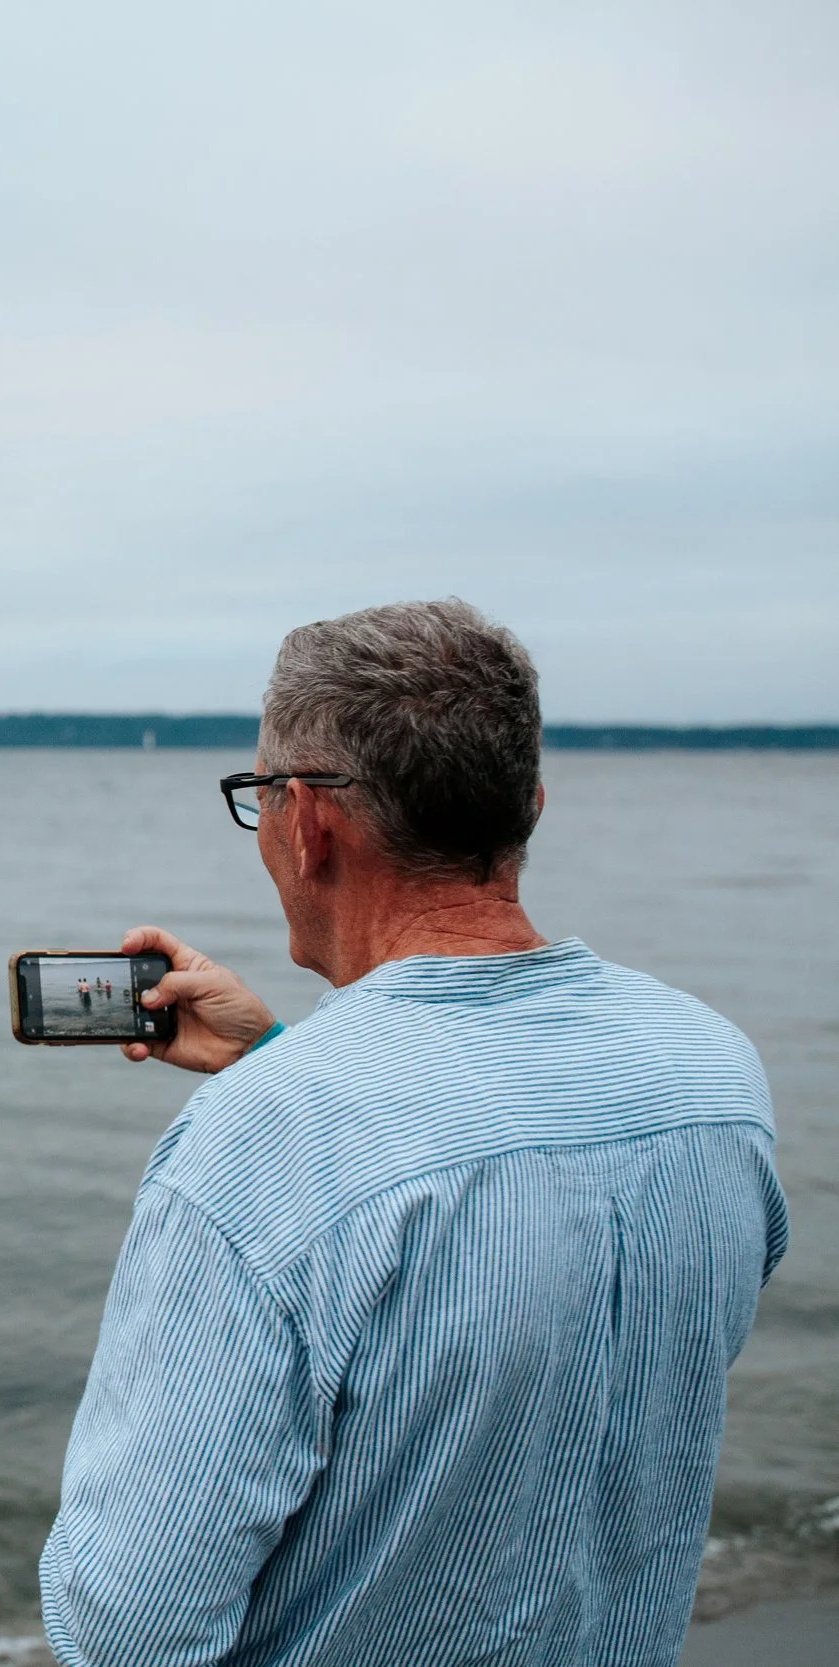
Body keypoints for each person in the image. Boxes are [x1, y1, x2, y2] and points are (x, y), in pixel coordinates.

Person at [40, 600, 786, 1667]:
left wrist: (281, 1083)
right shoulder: (711, 1070)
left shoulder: (265, 1142)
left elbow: (130, 1627)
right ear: (527, 803)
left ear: (306, 820)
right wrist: (274, 1055)